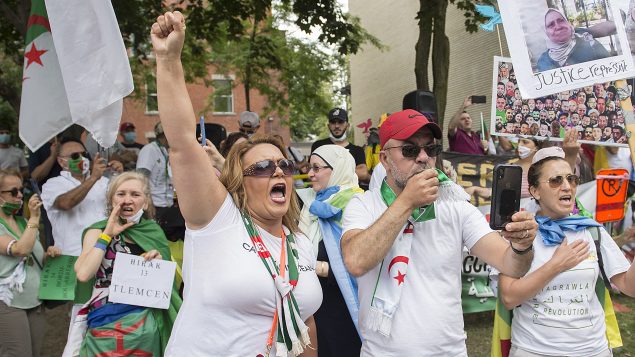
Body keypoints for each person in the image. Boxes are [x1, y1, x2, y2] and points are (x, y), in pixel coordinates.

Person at [151, 11, 321, 356]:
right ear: (239, 184)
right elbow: (183, 142)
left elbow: (305, 321)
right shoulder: (217, 219)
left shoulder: (299, 242)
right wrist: (168, 60)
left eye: (284, 165)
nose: (278, 172)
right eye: (261, 167)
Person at [340, 109, 538, 356]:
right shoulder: (364, 205)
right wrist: (407, 202)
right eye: (410, 150)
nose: (423, 157)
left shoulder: (454, 204)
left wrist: (522, 245)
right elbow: (356, 262)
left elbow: (512, 266)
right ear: (384, 159)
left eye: (430, 149)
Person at [494, 147, 635, 357]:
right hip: (535, 351)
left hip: (592, 351)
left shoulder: (591, 230)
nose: (567, 186)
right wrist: (556, 265)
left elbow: (628, 287)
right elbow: (509, 297)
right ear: (534, 191)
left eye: (571, 179)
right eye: (555, 181)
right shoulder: (519, 232)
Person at [72, 172, 181, 356]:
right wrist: (108, 234)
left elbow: (166, 288)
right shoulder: (97, 231)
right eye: (121, 194)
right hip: (105, 327)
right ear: (111, 200)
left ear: (145, 202)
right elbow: (83, 273)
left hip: (145, 329)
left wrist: (157, 264)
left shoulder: (153, 233)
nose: (127, 200)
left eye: (135, 194)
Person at [297, 145, 363, 357]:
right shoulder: (308, 202)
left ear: (337, 169)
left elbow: (363, 261)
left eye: (316, 168)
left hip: (343, 309)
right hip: (312, 311)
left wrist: (317, 268)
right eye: (309, 167)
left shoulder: (358, 205)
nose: (310, 174)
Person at [0, 169, 60, 357]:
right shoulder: (29, 221)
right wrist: (35, 218)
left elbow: (37, 257)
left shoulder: (22, 221)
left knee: (34, 352)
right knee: (17, 353)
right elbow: (20, 250)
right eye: (13, 192)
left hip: (34, 298)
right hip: (9, 302)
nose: (20, 195)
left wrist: (50, 255)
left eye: (21, 190)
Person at [41, 138, 123, 256]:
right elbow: (65, 203)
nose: (82, 158)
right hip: (73, 254)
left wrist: (119, 175)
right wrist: (93, 178)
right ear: (61, 161)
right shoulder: (53, 184)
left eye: (84, 154)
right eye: (75, 156)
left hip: (106, 252)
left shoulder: (104, 182)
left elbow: (122, 205)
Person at [537, 8, 610, 71]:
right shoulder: (544, 62)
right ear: (545, 33)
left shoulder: (589, 43)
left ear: (567, 23)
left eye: (561, 20)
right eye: (551, 25)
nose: (558, 27)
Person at [311, 108, 370, 185]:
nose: (337, 126)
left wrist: (329, 171)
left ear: (347, 125)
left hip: (350, 194)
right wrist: (349, 172)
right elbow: (313, 170)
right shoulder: (318, 146)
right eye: (333, 122)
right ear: (328, 125)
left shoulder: (357, 150)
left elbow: (362, 173)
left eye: (341, 122)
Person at [137, 123, 174, 230]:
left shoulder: (166, 151)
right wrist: (148, 202)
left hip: (167, 203)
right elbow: (141, 178)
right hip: (153, 205)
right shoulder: (149, 149)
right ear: (165, 134)